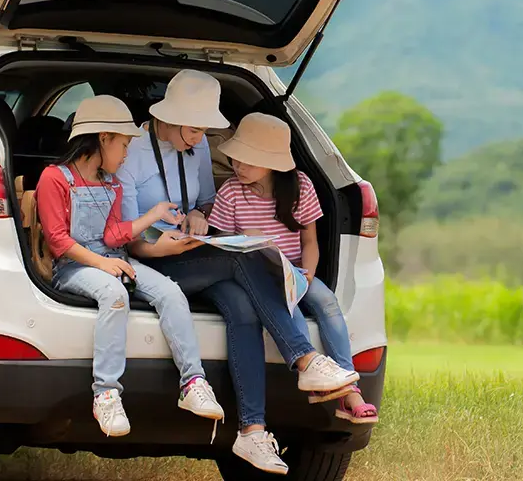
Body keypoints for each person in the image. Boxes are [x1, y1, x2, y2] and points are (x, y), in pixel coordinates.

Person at [118, 69, 359, 475]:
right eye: (193, 131)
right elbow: (128, 239)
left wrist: (197, 217)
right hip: (152, 261)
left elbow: (208, 205)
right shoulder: (131, 154)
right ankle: (304, 360)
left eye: (203, 132)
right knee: (244, 254)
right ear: (166, 118)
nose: (200, 142)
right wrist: (167, 244)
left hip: (198, 256)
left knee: (243, 308)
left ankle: (251, 431)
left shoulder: (194, 150)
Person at [34, 95, 225, 437]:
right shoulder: (55, 178)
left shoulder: (112, 183)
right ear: (102, 138)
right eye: (123, 145)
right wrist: (102, 264)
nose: (126, 155)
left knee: (170, 292)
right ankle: (105, 393)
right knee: (114, 294)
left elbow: (112, 235)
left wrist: (152, 217)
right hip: (74, 267)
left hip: (112, 259)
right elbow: (58, 241)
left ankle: (193, 381)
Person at [208, 112, 379, 424]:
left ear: (272, 161)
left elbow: (310, 241)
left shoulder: (300, 186)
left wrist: (307, 275)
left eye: (249, 160)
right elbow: (221, 242)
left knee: (327, 302)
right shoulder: (231, 191)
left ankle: (348, 389)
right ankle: (319, 380)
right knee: (292, 310)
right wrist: (247, 239)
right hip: (255, 276)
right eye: (236, 159)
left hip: (296, 270)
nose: (238, 167)